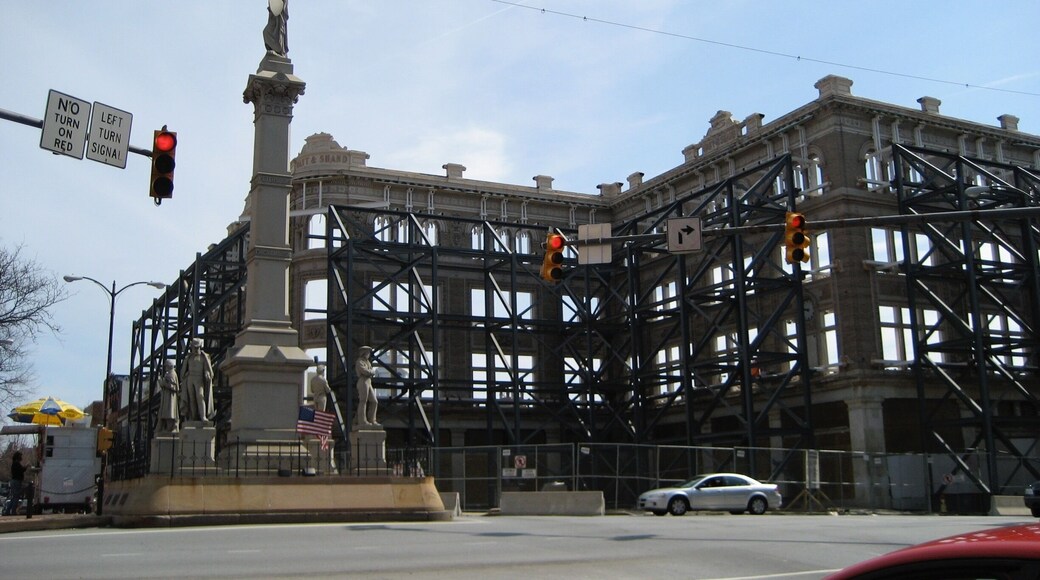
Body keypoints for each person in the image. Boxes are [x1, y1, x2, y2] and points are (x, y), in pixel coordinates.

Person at [180, 338, 214, 423]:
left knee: (200, 396)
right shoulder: (189, 358)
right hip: (190, 379)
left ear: (200, 347)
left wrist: (207, 373)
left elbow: (207, 369)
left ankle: (203, 416)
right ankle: (193, 417)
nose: (194, 349)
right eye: (193, 347)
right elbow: (183, 373)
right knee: (191, 398)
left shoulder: (204, 357)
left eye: (196, 347)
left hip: (199, 379)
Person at [354, 346, 379, 427]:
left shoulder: (367, 362)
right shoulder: (359, 361)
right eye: (368, 352)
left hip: (368, 381)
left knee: (374, 401)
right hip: (363, 381)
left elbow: (371, 371)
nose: (369, 354)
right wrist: (371, 372)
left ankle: (372, 419)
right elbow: (365, 371)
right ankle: (362, 420)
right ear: (364, 353)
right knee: (363, 401)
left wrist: (371, 372)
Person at [157, 359, 180, 434]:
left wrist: (162, 383)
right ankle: (167, 428)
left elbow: (174, 387)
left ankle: (170, 428)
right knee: (166, 413)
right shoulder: (169, 374)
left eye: (166, 366)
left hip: (170, 398)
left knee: (170, 413)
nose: (165, 367)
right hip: (167, 397)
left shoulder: (172, 374)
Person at [3, 452, 25, 516]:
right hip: (16, 481)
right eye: (20, 456)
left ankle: (7, 511)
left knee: (14, 497)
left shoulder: (14, 463)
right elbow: (21, 470)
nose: (21, 457)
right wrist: (26, 466)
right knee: (16, 497)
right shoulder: (16, 463)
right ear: (18, 457)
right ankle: (13, 511)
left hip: (14, 481)